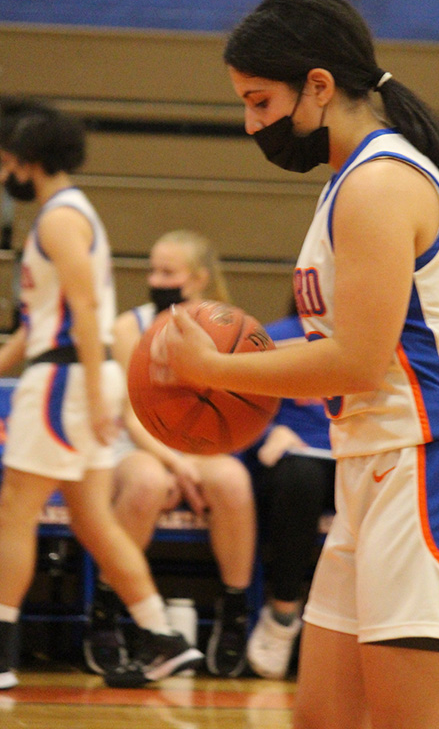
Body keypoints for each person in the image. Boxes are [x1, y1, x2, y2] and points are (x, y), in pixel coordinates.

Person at [149, 0, 439, 728]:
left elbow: (358, 362)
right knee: (320, 719)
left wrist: (215, 372)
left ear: (319, 86)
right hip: (374, 465)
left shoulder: (378, 182)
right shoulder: (350, 181)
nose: (250, 123)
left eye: (260, 101)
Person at [0, 98, 202, 690]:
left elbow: (85, 308)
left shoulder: (60, 218)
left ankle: (2, 652)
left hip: (66, 379)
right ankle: (161, 636)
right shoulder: (65, 213)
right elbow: (29, 329)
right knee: (91, 518)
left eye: (4, 158)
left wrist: (91, 386)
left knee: (16, 510)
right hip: (70, 374)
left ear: (26, 159)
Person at [84, 229, 256, 679]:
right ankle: (105, 610)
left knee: (234, 482)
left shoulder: (229, 326)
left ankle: (234, 614)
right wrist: (176, 463)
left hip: (200, 443)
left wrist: (194, 457)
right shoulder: (130, 326)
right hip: (138, 439)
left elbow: (235, 409)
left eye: (167, 271)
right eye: (152, 269)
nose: (155, 278)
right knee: (146, 482)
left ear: (198, 279)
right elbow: (132, 414)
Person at [243, 304, 335, 680]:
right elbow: (237, 407)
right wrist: (267, 433)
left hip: (359, 458)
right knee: (300, 478)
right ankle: (282, 614)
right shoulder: (274, 337)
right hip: (294, 465)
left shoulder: (381, 338)